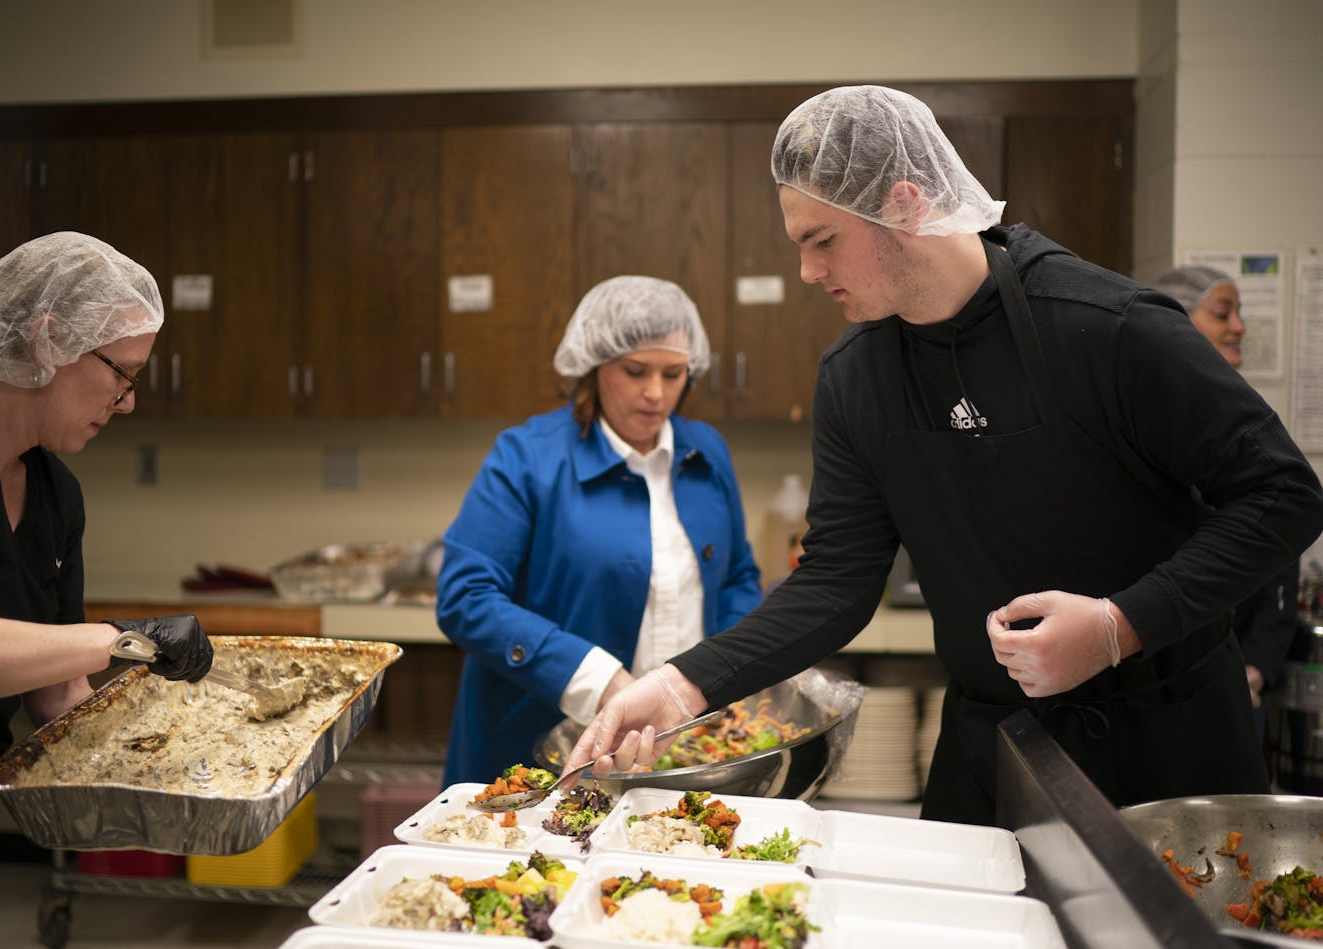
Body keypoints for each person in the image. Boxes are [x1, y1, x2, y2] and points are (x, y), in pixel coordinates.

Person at [568, 86, 1323, 827]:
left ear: (904, 203)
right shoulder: (855, 375)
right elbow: (837, 579)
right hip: (993, 745)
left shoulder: (1109, 328)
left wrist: (1118, 624)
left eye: (822, 240)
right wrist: (680, 685)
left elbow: (1284, 493)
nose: (806, 272)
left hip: (1171, 740)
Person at [0, 232, 215, 948]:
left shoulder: (55, 493)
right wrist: (126, 639)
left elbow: (57, 699)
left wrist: (191, 761)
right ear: (49, 339)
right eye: (122, 375)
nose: (127, 402)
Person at [437, 275, 762, 785]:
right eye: (635, 372)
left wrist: (724, 677)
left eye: (673, 374)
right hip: (539, 752)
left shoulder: (707, 453)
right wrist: (600, 681)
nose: (656, 394)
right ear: (594, 366)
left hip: (685, 751)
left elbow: (739, 575)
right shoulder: (527, 457)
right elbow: (466, 598)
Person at [1151, 264, 1300, 729]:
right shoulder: (1146, 414)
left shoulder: (1247, 415)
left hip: (1237, 676)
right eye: (1223, 313)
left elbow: (1280, 543)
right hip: (1157, 675)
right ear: (1176, 317)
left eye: (1239, 313)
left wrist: (1255, 668)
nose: (1239, 326)